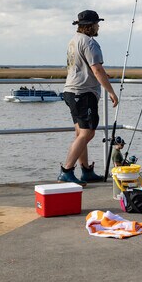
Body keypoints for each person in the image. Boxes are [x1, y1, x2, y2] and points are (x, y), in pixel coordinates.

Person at [59, 10, 119, 186]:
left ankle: (85, 170)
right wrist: (111, 91)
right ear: (89, 26)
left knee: (80, 133)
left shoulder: (73, 41)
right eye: (96, 24)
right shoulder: (90, 43)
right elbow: (96, 69)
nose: (98, 26)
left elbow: (84, 65)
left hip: (71, 91)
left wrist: (100, 73)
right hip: (83, 92)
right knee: (88, 133)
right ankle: (67, 170)